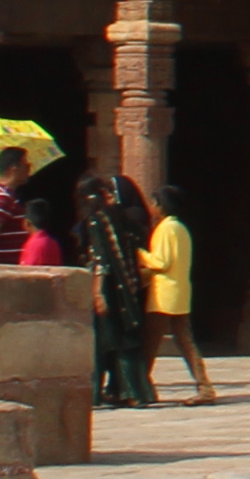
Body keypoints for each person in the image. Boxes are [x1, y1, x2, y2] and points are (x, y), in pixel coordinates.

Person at [86, 169, 156, 411]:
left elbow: (101, 260)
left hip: (110, 290)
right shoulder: (126, 218)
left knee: (103, 343)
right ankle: (135, 392)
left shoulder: (98, 221)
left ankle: (96, 393)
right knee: (128, 341)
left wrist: (97, 293)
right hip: (129, 288)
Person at [139, 184, 213, 404]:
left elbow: (161, 262)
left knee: (149, 344)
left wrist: (140, 254)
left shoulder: (166, 228)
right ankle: (205, 387)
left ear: (160, 206)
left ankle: (141, 386)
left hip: (164, 295)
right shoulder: (181, 228)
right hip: (179, 292)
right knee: (186, 343)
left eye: (153, 203)